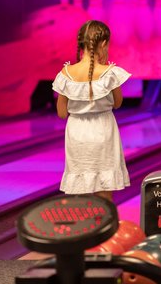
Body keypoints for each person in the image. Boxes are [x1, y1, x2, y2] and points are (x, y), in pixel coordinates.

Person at [52, 20, 131, 202]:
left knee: (80, 190)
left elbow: (62, 113)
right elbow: (117, 103)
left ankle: (83, 228)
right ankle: (104, 228)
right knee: (104, 191)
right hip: (103, 131)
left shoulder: (65, 74)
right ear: (103, 43)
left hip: (77, 135)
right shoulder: (110, 73)